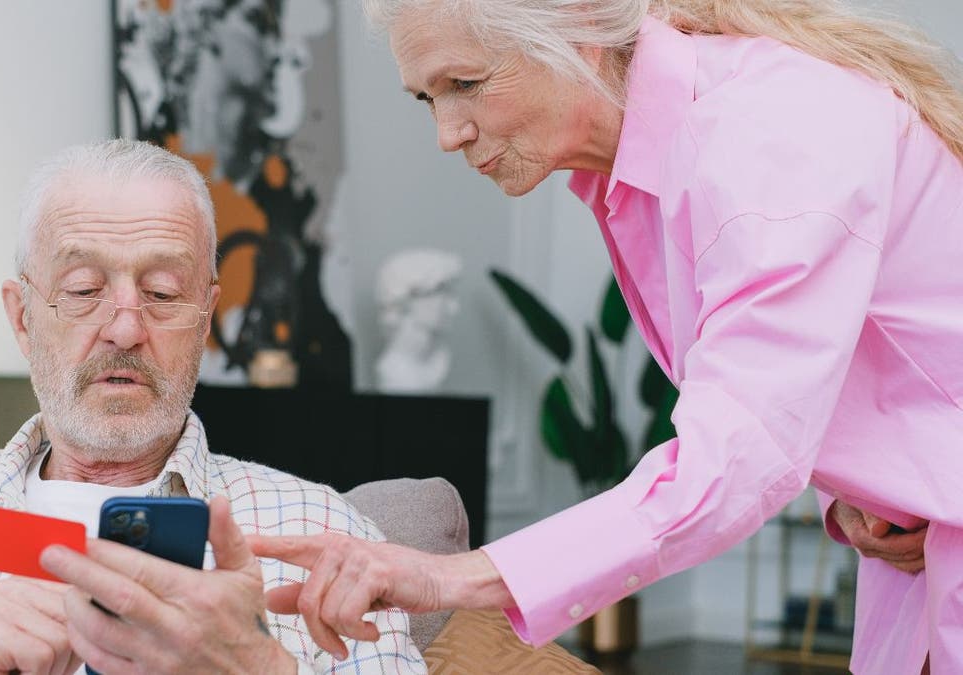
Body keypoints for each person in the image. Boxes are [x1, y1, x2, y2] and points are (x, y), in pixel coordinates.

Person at [247, 1, 963, 673]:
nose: (447, 132)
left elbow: (737, 453)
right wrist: (879, 490)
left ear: (581, 23)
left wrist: (447, 574)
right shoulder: (644, 173)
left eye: (464, 83)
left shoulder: (768, 134)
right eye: (426, 97)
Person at [0, 140, 424, 674]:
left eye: (163, 292)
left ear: (205, 318)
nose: (126, 328)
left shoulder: (329, 541)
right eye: (83, 289)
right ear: (22, 318)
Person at [374, 248, 462, 393]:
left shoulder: (438, 360)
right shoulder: (396, 374)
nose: (454, 307)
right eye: (443, 293)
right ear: (408, 300)